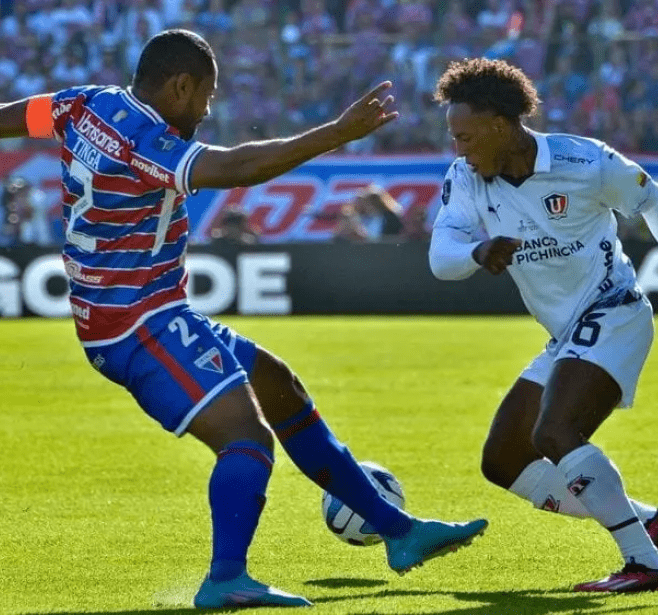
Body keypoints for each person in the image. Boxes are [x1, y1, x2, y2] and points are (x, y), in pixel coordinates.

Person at [0, 29, 487, 609]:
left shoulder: (83, 103)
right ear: (180, 85)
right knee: (247, 439)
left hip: (152, 309)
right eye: (205, 95)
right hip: (135, 324)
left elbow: (16, 116)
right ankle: (226, 579)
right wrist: (336, 134)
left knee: (278, 385)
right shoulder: (144, 138)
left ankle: (400, 533)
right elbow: (234, 168)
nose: (207, 110)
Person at [428, 58, 658, 594]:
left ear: (501, 123)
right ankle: (650, 522)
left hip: (614, 310)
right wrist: (478, 251)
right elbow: (441, 256)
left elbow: (653, 204)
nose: (459, 148)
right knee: (503, 459)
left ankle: (646, 565)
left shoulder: (583, 160)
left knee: (554, 433)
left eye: (466, 136)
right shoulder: (466, 178)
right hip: (565, 335)